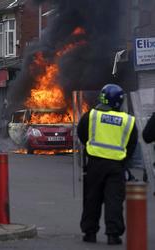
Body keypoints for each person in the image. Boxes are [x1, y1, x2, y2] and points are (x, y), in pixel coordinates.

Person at [77, 83, 137, 245]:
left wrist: (92, 148)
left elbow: (81, 134)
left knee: (92, 199)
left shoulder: (91, 115)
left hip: (95, 165)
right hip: (116, 166)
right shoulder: (128, 120)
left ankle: (89, 233)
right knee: (114, 201)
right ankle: (113, 234)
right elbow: (132, 145)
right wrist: (123, 160)